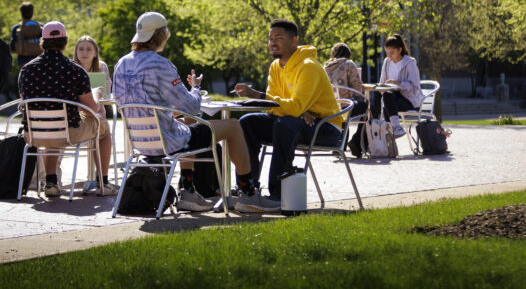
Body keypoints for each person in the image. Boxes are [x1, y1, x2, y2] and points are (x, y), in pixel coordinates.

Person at [113, 12, 279, 213]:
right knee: (233, 126)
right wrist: (196, 88)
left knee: (188, 122)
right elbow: (191, 106)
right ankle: (249, 194)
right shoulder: (160, 64)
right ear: (162, 35)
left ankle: (189, 193)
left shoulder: (121, 64)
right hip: (168, 141)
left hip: (140, 143)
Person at [235, 19, 344, 201]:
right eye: (270, 39)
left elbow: (279, 103)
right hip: (295, 120)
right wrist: (298, 111)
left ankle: (277, 195)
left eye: (278, 38)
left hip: (326, 127)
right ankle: (247, 188)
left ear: (294, 41)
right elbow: (273, 107)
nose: (272, 43)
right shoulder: (275, 67)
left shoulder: (309, 66)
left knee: (285, 124)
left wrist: (259, 96)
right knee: (247, 122)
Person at [18, 20, 118, 197]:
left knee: (51, 125)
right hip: (68, 133)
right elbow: (91, 109)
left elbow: (23, 101)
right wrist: (96, 94)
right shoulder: (75, 70)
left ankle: (51, 182)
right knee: (103, 127)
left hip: (33, 134)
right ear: (65, 42)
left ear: (43, 41)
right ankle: (103, 182)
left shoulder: (26, 70)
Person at [370, 34, 422, 138]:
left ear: (400, 50)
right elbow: (382, 83)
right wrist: (383, 86)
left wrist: (398, 83)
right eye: (387, 53)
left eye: (392, 52)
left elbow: (415, 89)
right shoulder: (387, 62)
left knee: (387, 107)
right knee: (387, 97)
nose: (389, 56)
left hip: (409, 100)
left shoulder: (410, 63)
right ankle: (395, 130)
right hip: (392, 99)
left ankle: (391, 135)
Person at [323, 43, 368, 157]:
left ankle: (339, 144)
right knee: (368, 107)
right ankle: (356, 142)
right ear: (348, 55)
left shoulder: (325, 67)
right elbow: (358, 89)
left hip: (330, 107)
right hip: (345, 107)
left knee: (345, 113)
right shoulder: (349, 64)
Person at [9, 1, 42, 68]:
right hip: (39, 60)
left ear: (21, 13)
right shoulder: (40, 26)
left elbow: (12, 47)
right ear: (32, 13)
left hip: (23, 61)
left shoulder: (16, 28)